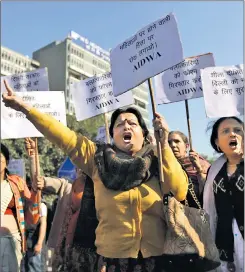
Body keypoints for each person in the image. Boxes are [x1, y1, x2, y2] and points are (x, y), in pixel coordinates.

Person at [2, 80, 188, 271]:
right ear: (112, 134)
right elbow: (62, 135)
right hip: (112, 262)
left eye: (132, 123)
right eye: (119, 124)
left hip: (156, 260)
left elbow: (179, 191)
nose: (126, 126)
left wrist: (164, 145)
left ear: (143, 133)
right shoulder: (97, 159)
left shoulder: (159, 159)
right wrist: (25, 108)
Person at [25, 137, 98, 271]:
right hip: (61, 252)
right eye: (78, 165)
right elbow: (39, 182)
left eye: (85, 165)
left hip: (89, 253)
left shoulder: (100, 194)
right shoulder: (65, 187)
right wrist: (33, 156)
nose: (81, 169)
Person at [203, 117, 244, 272]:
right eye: (225, 131)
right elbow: (210, 210)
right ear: (217, 143)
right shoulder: (214, 171)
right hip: (225, 242)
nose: (232, 134)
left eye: (238, 130)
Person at [0, 143, 40, 272]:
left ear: (6, 162)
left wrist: (32, 157)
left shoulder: (16, 183)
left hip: (12, 241)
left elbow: (32, 200)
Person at [168, 131, 210, 208]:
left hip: (197, 213)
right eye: (169, 143)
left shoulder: (201, 164)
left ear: (186, 146)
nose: (173, 145)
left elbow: (210, 193)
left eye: (177, 141)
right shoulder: (164, 167)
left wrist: (198, 168)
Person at [24, 198, 47, 272]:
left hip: (35, 241)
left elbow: (43, 224)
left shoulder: (41, 205)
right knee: (25, 267)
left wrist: (39, 243)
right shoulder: (25, 203)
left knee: (35, 266)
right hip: (26, 241)